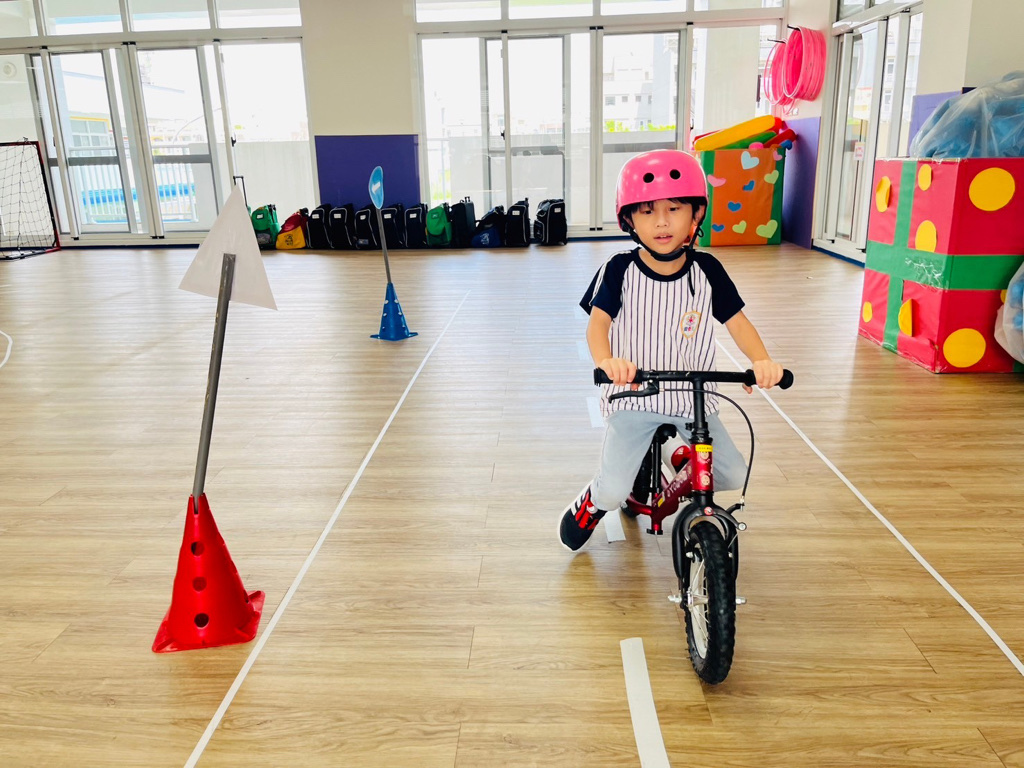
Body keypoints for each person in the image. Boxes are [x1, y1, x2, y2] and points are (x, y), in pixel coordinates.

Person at [559, 149, 785, 552]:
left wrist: (761, 360)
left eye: (674, 209)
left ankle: (676, 456)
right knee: (613, 490)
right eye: (647, 212)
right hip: (634, 396)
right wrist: (607, 362)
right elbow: (598, 324)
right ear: (629, 220)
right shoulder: (619, 269)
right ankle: (592, 502)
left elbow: (737, 322)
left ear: (696, 215)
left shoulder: (708, 270)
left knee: (733, 474)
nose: (662, 222)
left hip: (691, 399)